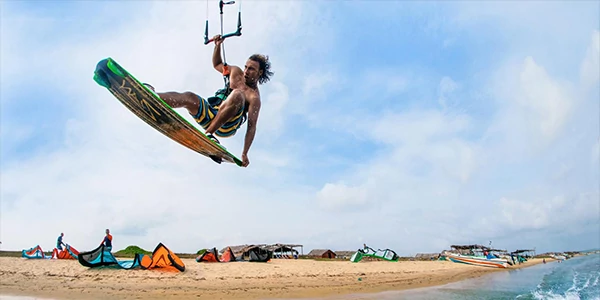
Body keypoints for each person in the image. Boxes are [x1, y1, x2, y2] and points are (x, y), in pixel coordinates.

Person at [145, 34, 273, 167]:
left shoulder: (254, 98)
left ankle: (209, 134)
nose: (246, 71)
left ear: (260, 73)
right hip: (212, 113)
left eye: (251, 69)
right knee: (190, 97)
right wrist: (217, 46)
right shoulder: (235, 71)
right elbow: (217, 64)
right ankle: (154, 97)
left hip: (226, 127)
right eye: (246, 67)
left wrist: (245, 153)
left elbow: (251, 127)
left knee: (238, 95)